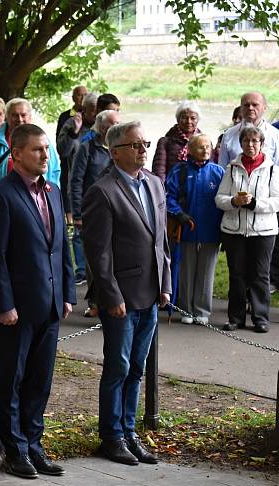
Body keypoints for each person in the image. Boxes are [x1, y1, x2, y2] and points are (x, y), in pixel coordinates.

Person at [0, 123, 76, 479]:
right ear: (17, 153)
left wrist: (68, 292)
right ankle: (14, 449)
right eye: (37, 150)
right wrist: (4, 304)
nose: (45, 155)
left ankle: (35, 445)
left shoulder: (53, 191)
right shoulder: (0, 194)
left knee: (40, 380)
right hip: (16, 308)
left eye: (46, 149)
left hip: (49, 303)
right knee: (13, 380)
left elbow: (61, 245)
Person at [82, 121, 170, 466]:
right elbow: (98, 253)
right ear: (114, 151)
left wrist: (165, 284)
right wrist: (110, 295)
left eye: (145, 143)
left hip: (150, 292)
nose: (143, 149)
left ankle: (130, 431)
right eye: (135, 145)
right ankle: (112, 436)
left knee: (137, 367)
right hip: (121, 296)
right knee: (118, 366)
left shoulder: (155, 184)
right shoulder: (102, 191)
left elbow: (161, 240)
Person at [214, 126, 279, 333]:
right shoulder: (231, 168)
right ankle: (236, 318)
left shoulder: (272, 169)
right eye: (246, 141)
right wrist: (233, 200)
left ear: (261, 144)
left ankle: (260, 318)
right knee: (237, 275)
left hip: (263, 231)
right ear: (240, 144)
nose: (250, 145)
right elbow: (219, 199)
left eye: (254, 141)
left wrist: (254, 204)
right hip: (234, 230)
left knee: (260, 275)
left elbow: (277, 202)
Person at [165, 134, 224, 325]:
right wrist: (178, 213)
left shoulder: (218, 172)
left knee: (207, 270)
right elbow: (168, 196)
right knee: (186, 270)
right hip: (186, 228)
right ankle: (186, 309)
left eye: (208, 146)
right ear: (190, 150)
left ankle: (202, 310)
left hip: (211, 230)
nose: (205, 150)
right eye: (200, 147)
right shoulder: (179, 171)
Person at [0, 98, 61, 225]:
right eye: (14, 115)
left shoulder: (44, 142)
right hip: (1, 204)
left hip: (36, 204)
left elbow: (54, 174)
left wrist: (53, 205)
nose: (19, 119)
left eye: (23, 115)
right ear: (7, 117)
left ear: (30, 116)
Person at [70, 110, 120, 300]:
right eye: (111, 124)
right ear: (101, 127)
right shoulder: (87, 148)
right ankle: (94, 301)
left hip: (117, 211)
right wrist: (77, 214)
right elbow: (75, 182)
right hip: (92, 212)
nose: (115, 128)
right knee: (94, 259)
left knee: (115, 257)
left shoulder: (122, 148)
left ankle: (112, 298)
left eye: (118, 123)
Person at [57, 92, 98, 215]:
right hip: (78, 186)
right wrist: (74, 132)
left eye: (98, 111)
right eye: (93, 111)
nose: (96, 115)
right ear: (84, 109)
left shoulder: (102, 125)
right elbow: (63, 151)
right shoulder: (71, 122)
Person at [218, 92, 279, 168]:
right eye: (246, 105)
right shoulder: (228, 135)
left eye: (255, 105)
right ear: (241, 108)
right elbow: (222, 168)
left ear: (264, 107)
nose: (250, 108)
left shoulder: (275, 135)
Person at [152, 101, 202, 181]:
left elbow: (208, 169)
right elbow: (159, 171)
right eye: (185, 118)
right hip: (171, 189)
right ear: (178, 119)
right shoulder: (165, 142)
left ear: (198, 120)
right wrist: (163, 191)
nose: (189, 121)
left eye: (193, 118)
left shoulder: (204, 142)